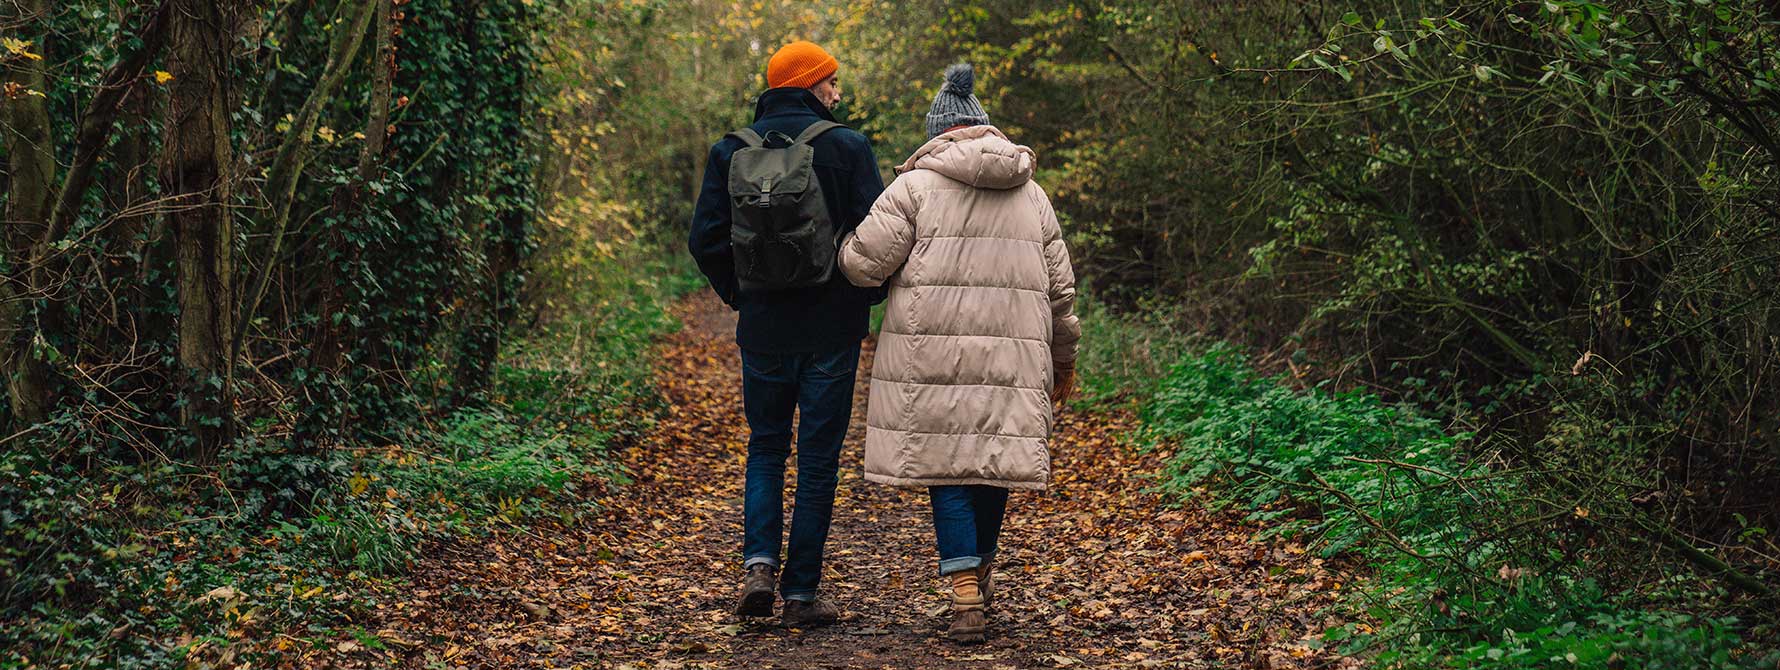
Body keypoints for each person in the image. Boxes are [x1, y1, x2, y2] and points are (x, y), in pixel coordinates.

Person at [837, 62, 1081, 644]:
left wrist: (845, 241)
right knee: (992, 459)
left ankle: (965, 588)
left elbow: (862, 264)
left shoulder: (913, 189)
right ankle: (980, 567)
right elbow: (1061, 290)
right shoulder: (1034, 194)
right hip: (1013, 359)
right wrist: (1064, 357)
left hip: (932, 358)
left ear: (936, 135)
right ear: (986, 130)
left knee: (947, 464)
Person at [687, 40, 886, 628]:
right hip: (832, 329)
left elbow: (705, 240)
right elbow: (879, 237)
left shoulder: (730, 151)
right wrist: (863, 299)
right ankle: (800, 595)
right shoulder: (847, 147)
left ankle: (756, 567)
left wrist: (742, 295)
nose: (837, 93)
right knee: (819, 464)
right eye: (831, 82)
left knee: (767, 448)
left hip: (765, 329)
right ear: (810, 85)